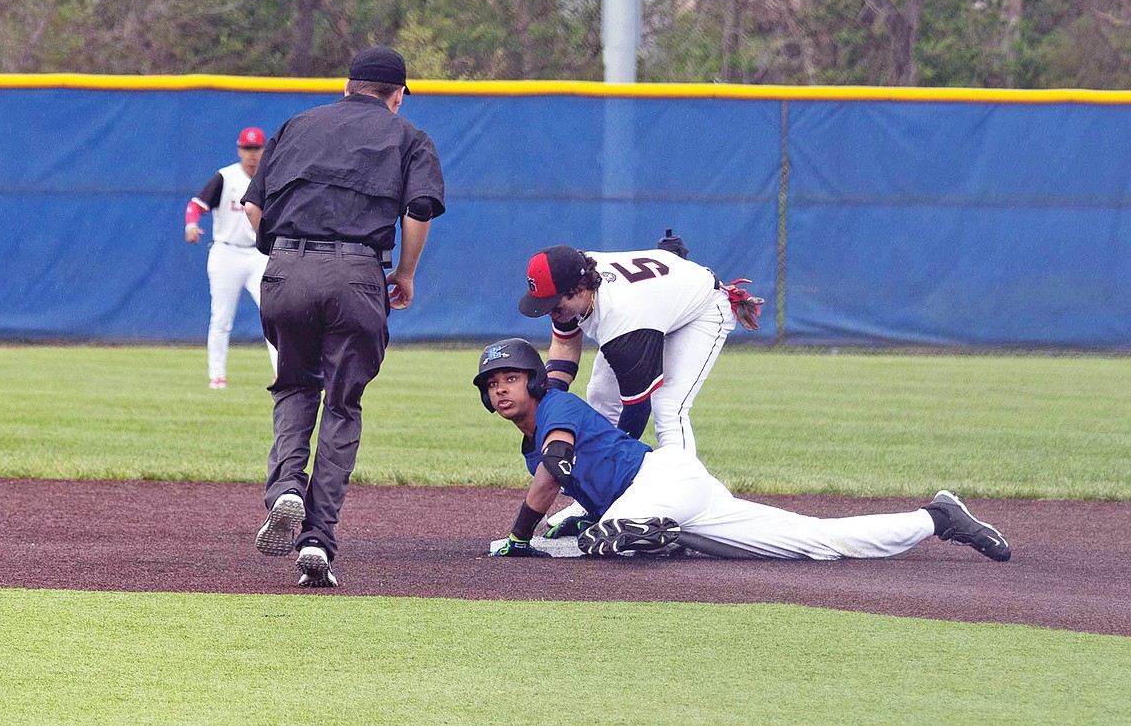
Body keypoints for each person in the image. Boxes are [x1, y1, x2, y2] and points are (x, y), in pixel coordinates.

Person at [475, 338, 1011, 563]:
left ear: (535, 381)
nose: (501, 389)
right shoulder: (530, 441)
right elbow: (576, 475)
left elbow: (558, 465)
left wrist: (520, 537)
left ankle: (654, 537)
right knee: (816, 543)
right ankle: (936, 517)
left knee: (601, 540)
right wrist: (580, 513)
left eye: (511, 378)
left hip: (660, 482)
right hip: (675, 492)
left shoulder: (557, 407)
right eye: (493, 383)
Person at [241, 46, 445, 588]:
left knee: (293, 387)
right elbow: (418, 209)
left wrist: (284, 255)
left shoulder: (296, 125)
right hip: (357, 272)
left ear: (347, 85)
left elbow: (253, 206)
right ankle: (317, 539)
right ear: (397, 95)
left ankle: (286, 487)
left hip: (286, 268)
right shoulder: (409, 137)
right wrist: (405, 273)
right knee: (342, 403)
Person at [517, 241, 763, 533]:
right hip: (654, 305)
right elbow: (565, 345)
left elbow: (635, 411)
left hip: (700, 311)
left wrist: (614, 477)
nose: (551, 312)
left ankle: (682, 508)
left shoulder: (622, 322)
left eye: (554, 305)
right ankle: (590, 502)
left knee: (669, 408)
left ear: (580, 289)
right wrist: (548, 400)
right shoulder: (572, 274)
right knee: (599, 394)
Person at [184, 126, 279, 389]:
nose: (252, 154)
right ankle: (217, 376)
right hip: (226, 253)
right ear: (239, 150)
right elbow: (195, 205)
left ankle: (281, 374)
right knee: (221, 318)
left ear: (264, 150)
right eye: (247, 148)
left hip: (259, 254)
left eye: (256, 148)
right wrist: (191, 224)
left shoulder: (270, 178)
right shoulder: (225, 177)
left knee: (274, 315)